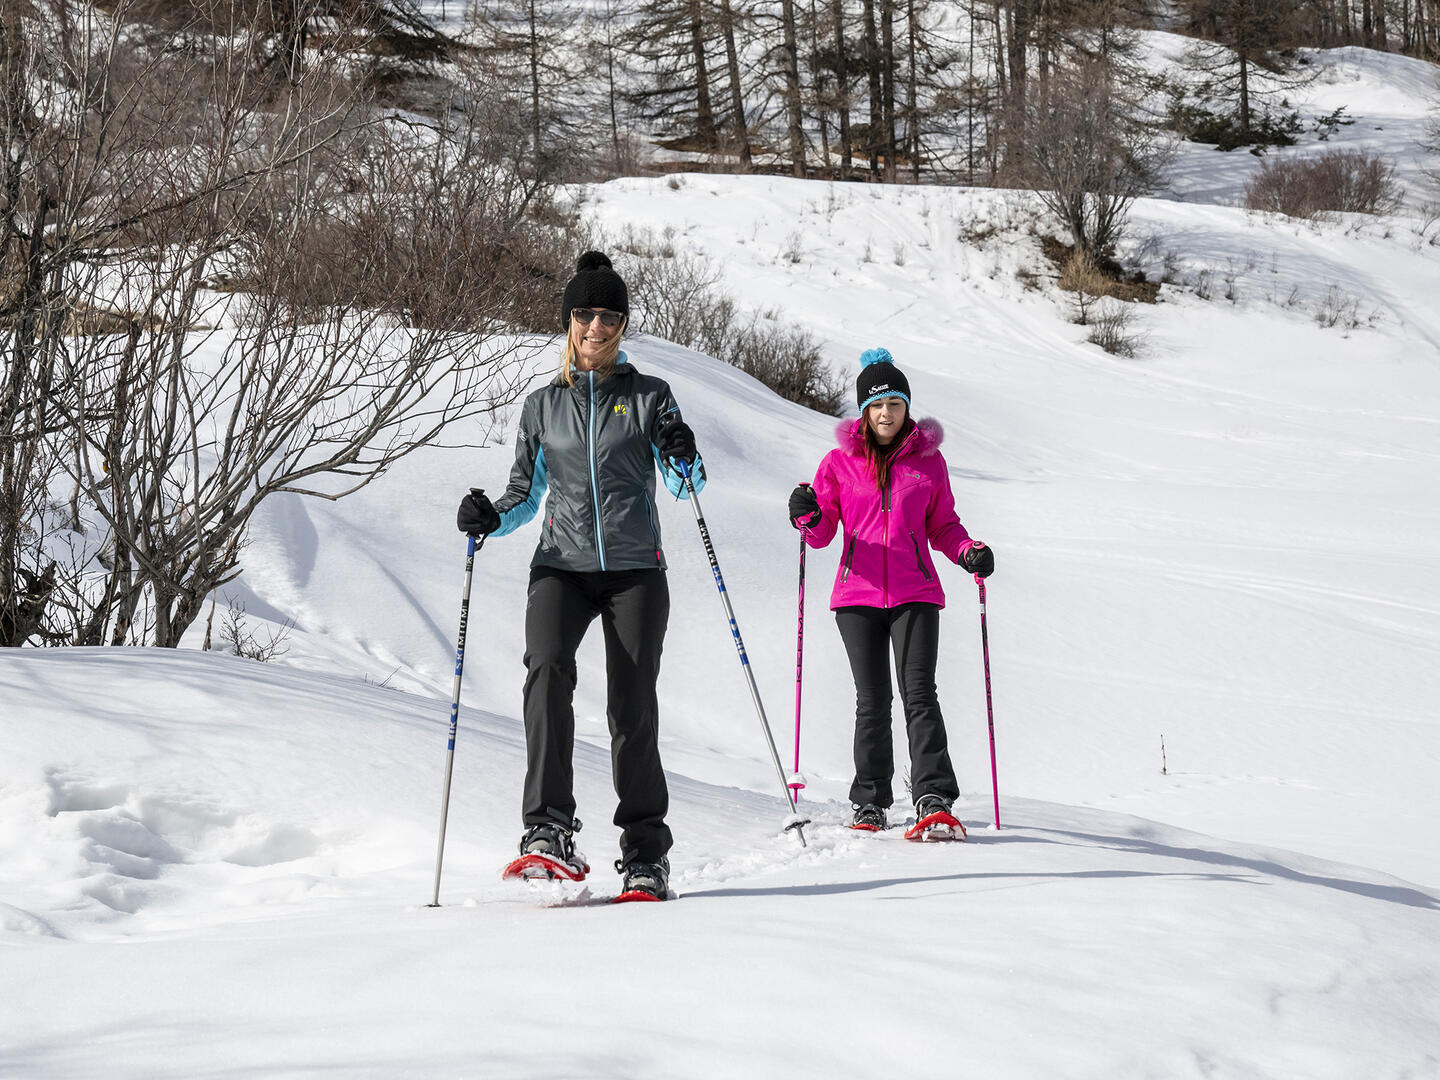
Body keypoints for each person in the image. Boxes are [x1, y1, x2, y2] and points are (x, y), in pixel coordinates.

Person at [456, 251, 703, 900]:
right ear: (568, 320)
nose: (597, 326)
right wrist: (489, 518)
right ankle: (548, 829)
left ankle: (646, 854)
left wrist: (683, 452)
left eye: (610, 316)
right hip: (560, 567)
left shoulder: (650, 396)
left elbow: (687, 486)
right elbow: (522, 496)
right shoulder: (543, 405)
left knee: (631, 706)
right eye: (586, 313)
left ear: (622, 325)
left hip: (634, 570)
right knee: (545, 674)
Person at [787, 348, 994, 836]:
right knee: (872, 700)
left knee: (919, 693)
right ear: (864, 411)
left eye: (894, 404)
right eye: (877, 405)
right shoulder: (839, 463)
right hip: (856, 596)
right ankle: (870, 802)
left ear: (906, 407)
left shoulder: (928, 462)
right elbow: (821, 533)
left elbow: (943, 525)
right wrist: (808, 515)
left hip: (915, 592)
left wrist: (967, 551)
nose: (886, 413)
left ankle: (933, 796)